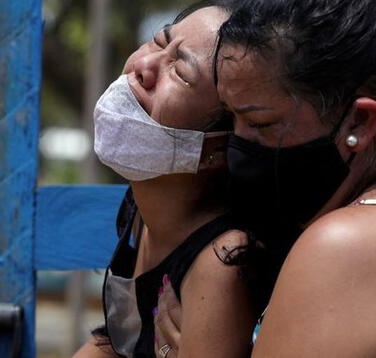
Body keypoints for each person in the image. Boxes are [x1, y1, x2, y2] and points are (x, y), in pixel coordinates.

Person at [154, 0, 376, 356]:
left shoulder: (340, 245)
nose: (238, 146)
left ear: (359, 123)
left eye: (261, 124)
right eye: (229, 119)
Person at [74, 1, 275, 357]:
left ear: (219, 146)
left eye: (181, 72)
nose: (144, 65)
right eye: (157, 41)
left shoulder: (222, 262)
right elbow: (115, 342)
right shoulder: (141, 209)